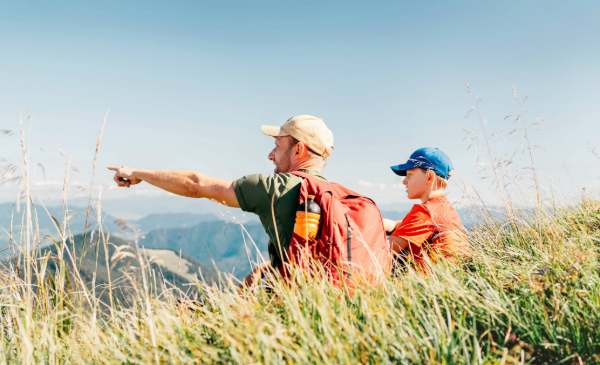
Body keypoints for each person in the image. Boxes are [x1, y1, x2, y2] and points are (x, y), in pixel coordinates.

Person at [108, 115, 334, 288]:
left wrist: (138, 173)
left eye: (277, 146)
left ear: (298, 150)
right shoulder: (340, 197)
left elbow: (194, 184)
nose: (270, 155)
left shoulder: (276, 188)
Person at [382, 147, 468, 272]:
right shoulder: (442, 208)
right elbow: (397, 226)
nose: (404, 181)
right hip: (452, 281)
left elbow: (383, 250)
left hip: (432, 285)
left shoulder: (425, 211)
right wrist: (361, 221)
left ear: (429, 177)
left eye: (410, 175)